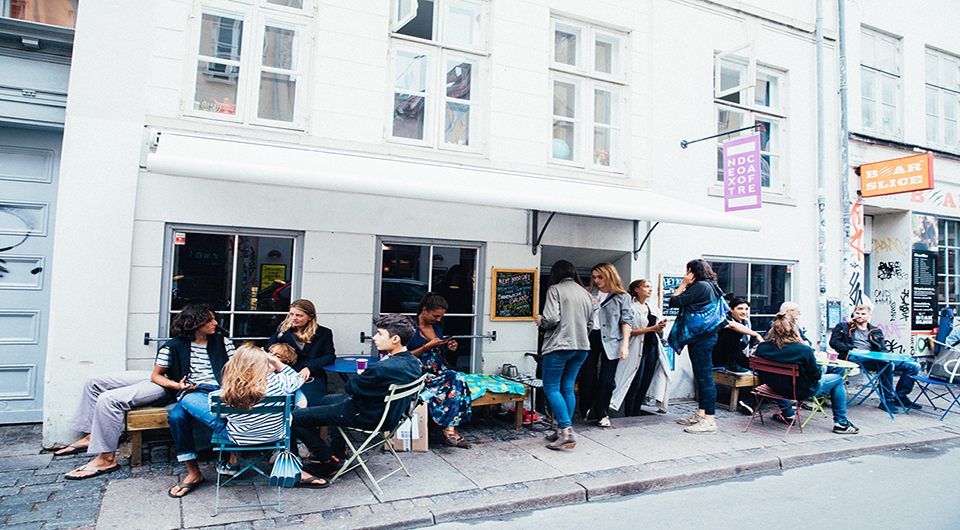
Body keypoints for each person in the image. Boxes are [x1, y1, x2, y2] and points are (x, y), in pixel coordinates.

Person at [291, 314, 421, 487]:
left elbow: (350, 387)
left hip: (366, 414)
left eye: (380, 334)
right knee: (326, 399)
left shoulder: (381, 368)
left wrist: (361, 376)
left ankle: (327, 459)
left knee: (295, 417)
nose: (374, 338)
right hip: (391, 415)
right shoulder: (414, 362)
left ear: (395, 339)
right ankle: (338, 451)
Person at [151, 303, 236, 498]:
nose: (216, 323)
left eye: (215, 318)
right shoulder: (172, 347)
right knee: (176, 417)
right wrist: (177, 386)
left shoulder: (223, 342)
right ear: (195, 323)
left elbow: (237, 368)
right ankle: (193, 472)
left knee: (233, 411)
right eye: (210, 320)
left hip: (222, 390)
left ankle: (233, 456)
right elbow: (156, 376)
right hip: (191, 392)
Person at [755, 313, 859, 434]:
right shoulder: (803, 350)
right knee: (838, 379)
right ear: (795, 330)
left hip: (773, 387)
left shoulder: (762, 347)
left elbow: (760, 371)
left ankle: (788, 414)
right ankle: (841, 423)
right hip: (800, 391)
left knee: (780, 378)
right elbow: (815, 375)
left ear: (772, 330)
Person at [212, 344, 304, 475]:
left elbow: (217, 416)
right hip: (276, 435)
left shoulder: (221, 394)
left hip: (239, 437)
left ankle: (232, 463)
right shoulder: (279, 383)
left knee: (192, 402)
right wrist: (273, 360)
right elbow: (297, 379)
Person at [58, 373, 165, 479]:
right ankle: (91, 437)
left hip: (170, 383)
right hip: (159, 374)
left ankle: (107, 459)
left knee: (108, 400)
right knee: (93, 382)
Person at [535, 260, 594, 450]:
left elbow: (551, 319)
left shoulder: (555, 289)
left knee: (551, 388)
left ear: (555, 273)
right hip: (582, 346)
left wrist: (540, 321)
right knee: (567, 387)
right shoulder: (586, 293)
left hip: (559, 345)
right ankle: (563, 429)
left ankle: (566, 431)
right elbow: (590, 324)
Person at [407, 293, 473, 448]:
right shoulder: (409, 328)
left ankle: (450, 430)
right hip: (419, 373)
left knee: (457, 379)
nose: (438, 319)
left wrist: (449, 346)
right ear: (424, 310)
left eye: (440, 316)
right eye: (435, 316)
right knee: (457, 379)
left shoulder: (437, 326)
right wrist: (425, 347)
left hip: (439, 371)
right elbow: (401, 355)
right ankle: (451, 432)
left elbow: (439, 350)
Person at [828, 304, 921, 412]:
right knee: (887, 365)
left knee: (914, 366)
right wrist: (852, 348)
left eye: (863, 314)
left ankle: (901, 396)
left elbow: (883, 349)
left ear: (869, 315)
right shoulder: (843, 326)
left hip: (874, 358)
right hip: (853, 357)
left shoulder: (875, 330)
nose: (860, 316)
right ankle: (887, 401)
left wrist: (887, 356)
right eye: (857, 313)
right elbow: (834, 343)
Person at [580, 263, 632, 427]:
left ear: (609, 276)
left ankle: (602, 413)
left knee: (607, 379)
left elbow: (626, 321)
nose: (597, 280)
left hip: (612, 339)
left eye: (600, 277)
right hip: (591, 337)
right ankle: (586, 409)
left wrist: (625, 345)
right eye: (594, 277)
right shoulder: (588, 293)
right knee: (588, 377)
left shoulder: (622, 296)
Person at [266, 299, 336, 407]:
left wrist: (309, 367)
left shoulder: (323, 333)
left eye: (299, 315)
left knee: (310, 407)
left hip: (311, 376)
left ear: (310, 317)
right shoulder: (283, 332)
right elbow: (269, 349)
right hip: (285, 376)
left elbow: (330, 356)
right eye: (291, 314)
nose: (294, 318)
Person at [613, 279, 666, 417]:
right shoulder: (630, 307)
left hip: (652, 346)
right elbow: (627, 330)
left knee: (646, 380)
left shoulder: (653, 308)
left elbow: (658, 332)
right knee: (635, 381)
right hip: (637, 347)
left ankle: (637, 410)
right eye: (646, 287)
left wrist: (659, 329)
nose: (650, 290)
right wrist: (651, 328)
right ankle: (629, 411)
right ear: (636, 289)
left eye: (651, 287)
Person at [712, 296, 763, 375]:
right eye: (740, 309)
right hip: (722, 358)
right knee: (733, 332)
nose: (744, 312)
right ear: (731, 309)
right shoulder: (725, 319)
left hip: (739, 356)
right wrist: (756, 335)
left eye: (746, 309)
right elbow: (733, 326)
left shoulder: (747, 322)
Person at [267, 342, 309, 409]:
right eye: (270, 352)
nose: (270, 357)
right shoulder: (283, 381)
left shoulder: (281, 380)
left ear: (283, 363)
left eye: (277, 356)